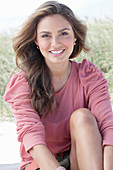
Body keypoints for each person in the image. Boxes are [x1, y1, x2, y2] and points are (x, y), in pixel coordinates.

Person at [3, 1, 113, 170]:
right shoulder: (23, 82)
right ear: (36, 41)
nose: (56, 43)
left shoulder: (89, 75)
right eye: (46, 36)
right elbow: (31, 135)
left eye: (63, 33)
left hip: (82, 157)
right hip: (41, 163)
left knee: (83, 116)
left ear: (75, 36)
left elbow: (108, 127)